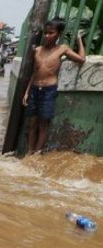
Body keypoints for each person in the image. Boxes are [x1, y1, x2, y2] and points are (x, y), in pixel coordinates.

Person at [23, 18, 86, 155]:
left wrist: (79, 40)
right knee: (32, 124)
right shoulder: (38, 50)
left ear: (59, 34)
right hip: (34, 90)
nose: (47, 35)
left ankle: (37, 154)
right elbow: (35, 72)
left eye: (51, 33)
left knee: (43, 124)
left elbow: (81, 59)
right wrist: (27, 92)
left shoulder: (62, 49)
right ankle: (29, 152)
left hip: (48, 91)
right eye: (45, 32)